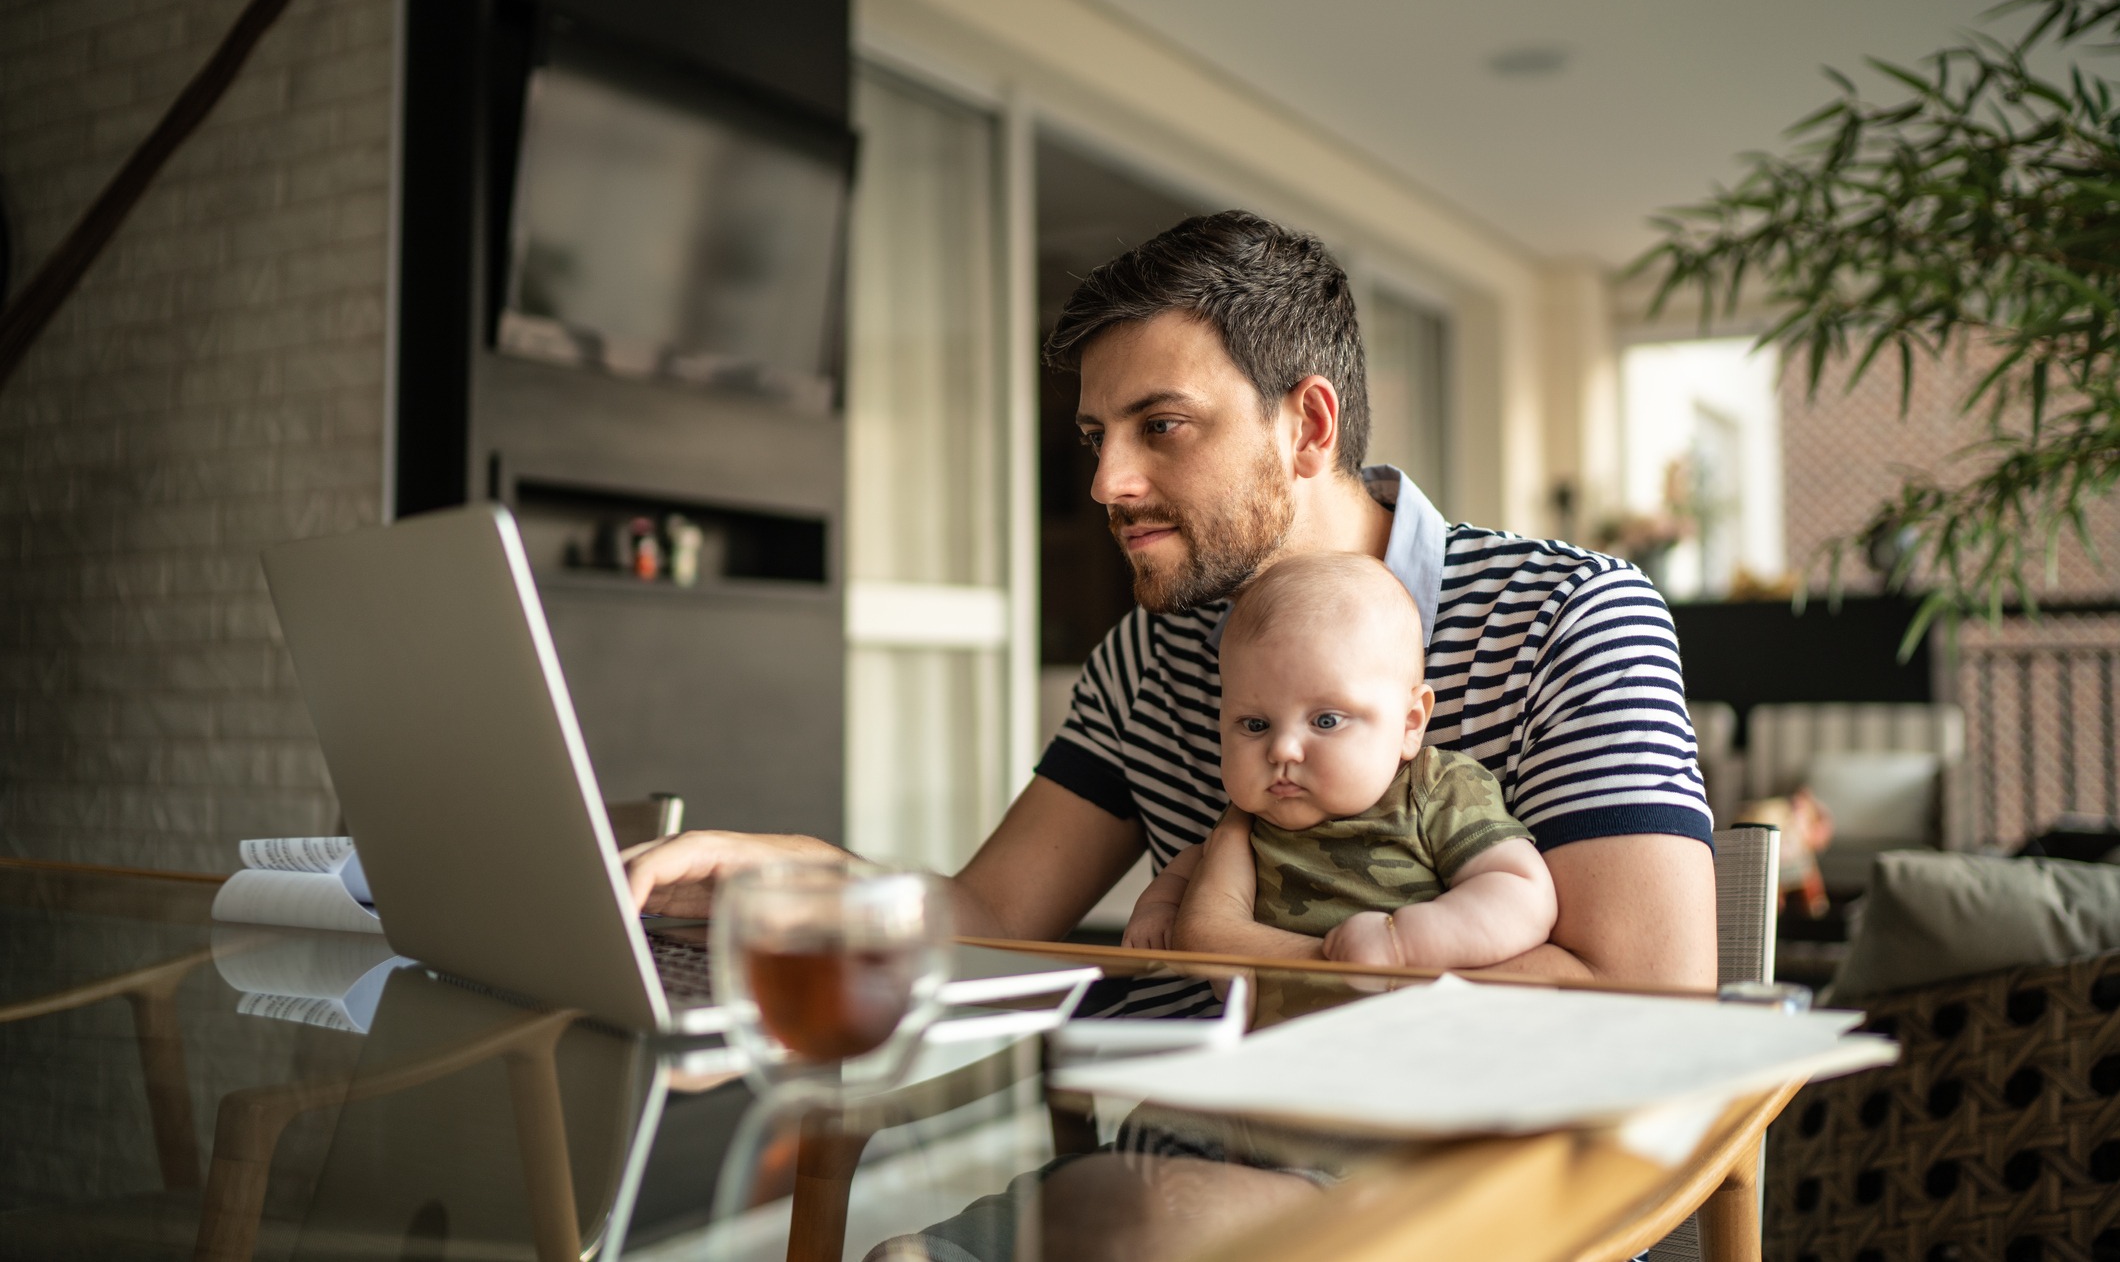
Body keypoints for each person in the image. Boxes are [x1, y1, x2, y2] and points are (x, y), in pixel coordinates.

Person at [625, 210, 1717, 999]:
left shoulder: (1566, 614)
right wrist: (800, 872)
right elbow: (997, 918)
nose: (1106, 484)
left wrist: (1263, 958)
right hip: (1193, 1167)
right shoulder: (1144, 663)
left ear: (1307, 429)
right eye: (1099, 437)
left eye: (1163, 425)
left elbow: (1652, 996)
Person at [1120, 550, 1556, 969]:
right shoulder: (1253, 820)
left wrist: (1403, 941)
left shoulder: (1435, 791)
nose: (1282, 750)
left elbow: (1521, 890)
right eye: (1255, 725)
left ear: (1409, 722)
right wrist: (1159, 909)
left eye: (1326, 720)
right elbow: (1187, 869)